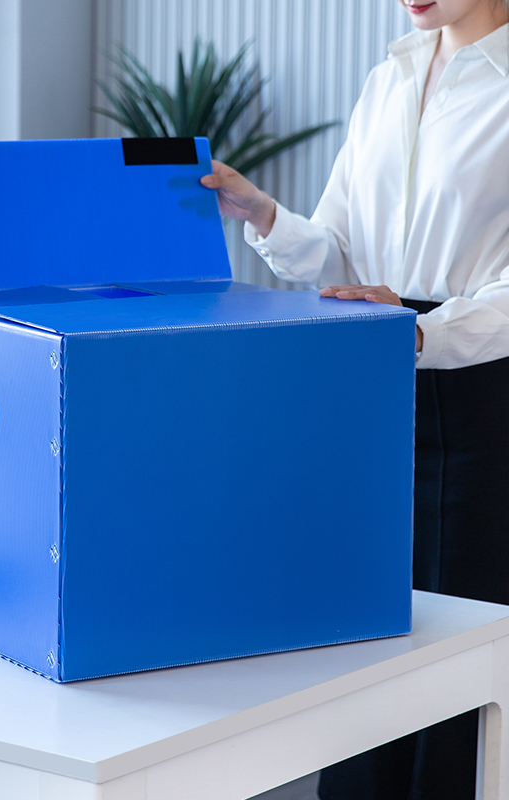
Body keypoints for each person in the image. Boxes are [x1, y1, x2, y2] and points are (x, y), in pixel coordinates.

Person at [200, 1, 509, 799]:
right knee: (357, 643)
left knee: (452, 654)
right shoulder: (390, 75)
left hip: (479, 396)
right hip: (369, 387)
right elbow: (339, 253)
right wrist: (263, 213)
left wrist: (420, 331)